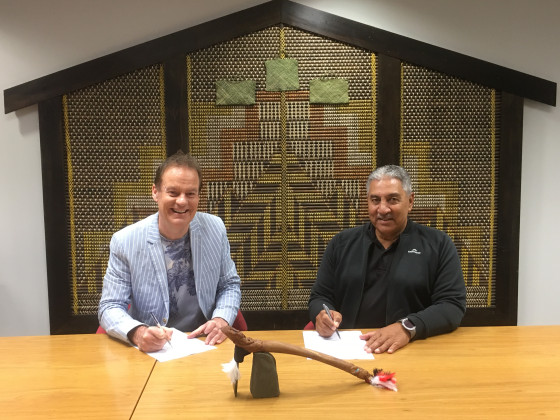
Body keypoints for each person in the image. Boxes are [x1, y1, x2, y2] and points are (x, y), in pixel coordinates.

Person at [308, 165, 466, 354]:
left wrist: (407, 327)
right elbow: (320, 296)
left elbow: (452, 305)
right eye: (375, 200)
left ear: (410, 201)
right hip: (350, 349)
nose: (383, 209)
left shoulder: (438, 244)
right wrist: (323, 315)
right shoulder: (341, 243)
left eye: (392, 199)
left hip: (412, 349)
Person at [99, 151, 241, 352]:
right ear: (155, 192)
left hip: (205, 344)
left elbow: (229, 284)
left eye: (190, 194)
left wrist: (221, 319)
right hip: (153, 350)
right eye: (173, 193)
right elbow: (110, 306)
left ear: (198, 196)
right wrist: (138, 333)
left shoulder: (215, 229)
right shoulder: (125, 241)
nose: (182, 201)